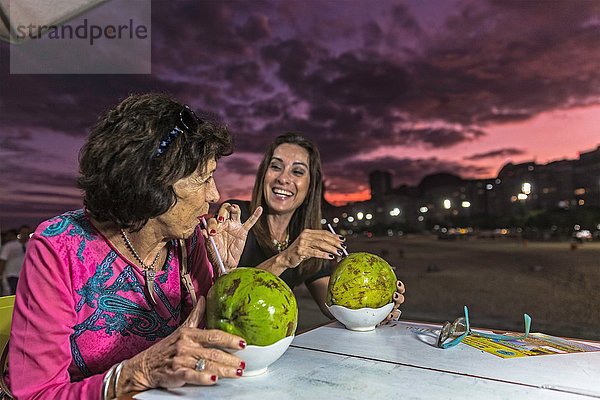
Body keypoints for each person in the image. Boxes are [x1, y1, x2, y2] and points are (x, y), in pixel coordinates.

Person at [4, 93, 262, 400]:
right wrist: (136, 374)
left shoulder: (188, 241)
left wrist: (225, 277)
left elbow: (206, 347)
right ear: (149, 182)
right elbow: (36, 394)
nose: (214, 194)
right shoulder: (59, 248)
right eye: (202, 179)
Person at [226, 133, 405, 321]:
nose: (283, 179)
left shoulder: (304, 235)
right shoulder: (236, 216)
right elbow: (228, 300)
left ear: (311, 185)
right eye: (276, 167)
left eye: (297, 171)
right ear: (263, 174)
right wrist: (285, 259)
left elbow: (331, 305)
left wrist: (373, 306)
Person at [0, 225, 31, 295]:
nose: (25, 235)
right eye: (23, 233)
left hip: (26, 275)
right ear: (19, 233)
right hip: (12, 274)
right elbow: (3, 260)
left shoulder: (31, 245)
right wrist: (1, 275)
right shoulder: (10, 246)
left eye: (27, 233)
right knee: (14, 294)